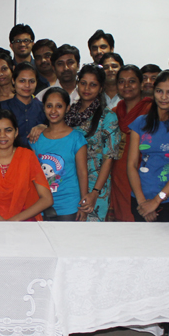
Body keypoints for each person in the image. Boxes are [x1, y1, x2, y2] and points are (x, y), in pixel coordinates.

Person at [127, 70, 169, 227]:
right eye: (159, 91)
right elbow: (131, 165)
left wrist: (156, 201)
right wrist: (142, 202)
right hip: (140, 200)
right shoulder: (140, 122)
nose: (164, 97)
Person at [66, 63, 120, 222]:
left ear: (101, 88)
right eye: (83, 83)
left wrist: (95, 192)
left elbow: (109, 158)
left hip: (95, 186)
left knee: (90, 233)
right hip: (68, 182)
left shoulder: (108, 117)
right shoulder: (68, 113)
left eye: (93, 85)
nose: (87, 88)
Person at [31, 88, 89, 221]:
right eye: (49, 106)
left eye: (59, 106)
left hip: (68, 205)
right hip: (40, 205)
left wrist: (83, 204)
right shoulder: (36, 139)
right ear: (43, 108)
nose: (53, 111)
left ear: (67, 108)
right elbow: (32, 173)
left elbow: (82, 173)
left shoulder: (76, 138)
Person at [111, 65, 152, 222]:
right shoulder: (114, 113)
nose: (126, 86)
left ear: (141, 84)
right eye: (121, 81)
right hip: (118, 177)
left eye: (132, 81)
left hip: (143, 176)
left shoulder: (152, 112)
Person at [0, 62, 46, 147]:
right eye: (22, 81)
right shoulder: (2, 107)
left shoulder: (43, 108)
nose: (27, 85)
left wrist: (45, 128)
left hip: (39, 154)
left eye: (31, 81)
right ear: (13, 81)